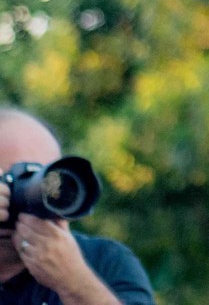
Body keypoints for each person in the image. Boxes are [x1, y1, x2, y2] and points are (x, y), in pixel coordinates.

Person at [0, 109, 154, 305]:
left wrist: (74, 282)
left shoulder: (105, 261)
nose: (37, 191)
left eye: (46, 177)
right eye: (15, 178)